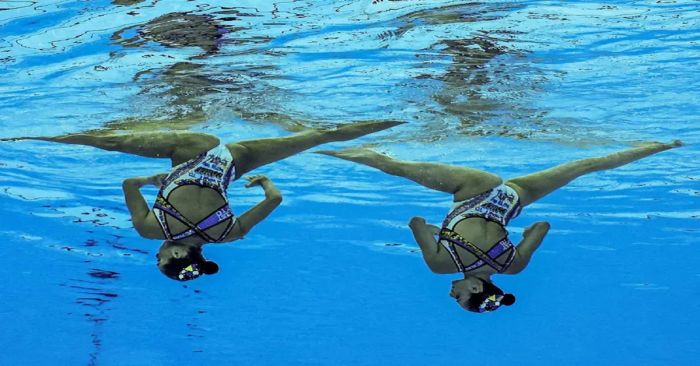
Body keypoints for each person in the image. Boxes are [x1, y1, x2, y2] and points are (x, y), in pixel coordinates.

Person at [5, 120, 402, 281]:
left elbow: (277, 199)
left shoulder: (228, 236)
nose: (157, 253)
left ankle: (397, 120)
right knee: (105, 140)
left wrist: (263, 181)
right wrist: (151, 177)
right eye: (160, 258)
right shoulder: (150, 229)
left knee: (318, 136)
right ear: (177, 256)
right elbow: (128, 183)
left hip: (235, 161)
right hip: (190, 150)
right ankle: (23, 135)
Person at [319, 140, 683, 313]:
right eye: (460, 297)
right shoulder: (440, 265)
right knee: (396, 166)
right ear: (475, 286)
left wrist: (517, 237)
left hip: (511, 198)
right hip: (471, 189)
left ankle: (665, 144)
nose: (451, 294)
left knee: (585, 165)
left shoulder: (515, 266)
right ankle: (333, 148)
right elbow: (415, 222)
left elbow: (541, 226)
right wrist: (434, 231)